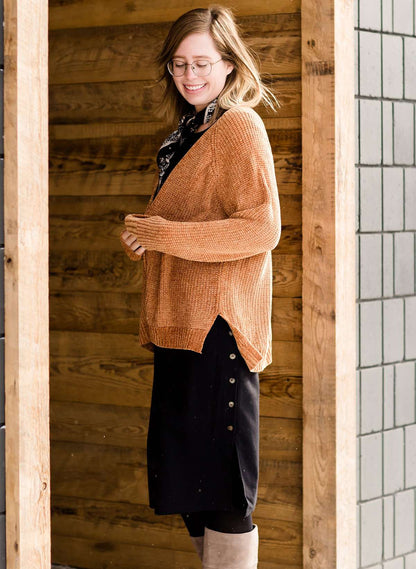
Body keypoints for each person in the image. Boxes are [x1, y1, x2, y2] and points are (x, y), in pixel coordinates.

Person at [119, 5, 281, 568]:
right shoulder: (188, 132)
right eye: (178, 64)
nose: (189, 76)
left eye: (202, 64)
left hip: (219, 332)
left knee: (225, 495)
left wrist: (166, 233)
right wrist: (149, 239)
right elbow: (188, 226)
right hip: (181, 330)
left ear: (231, 65)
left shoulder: (238, 126)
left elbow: (263, 227)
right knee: (191, 492)